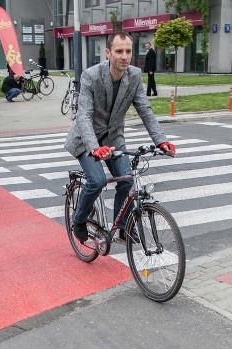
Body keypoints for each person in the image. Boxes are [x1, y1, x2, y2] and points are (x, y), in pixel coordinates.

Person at [64, 32, 175, 243]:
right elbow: (84, 115)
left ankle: (122, 227)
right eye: (119, 51)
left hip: (114, 139)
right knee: (96, 181)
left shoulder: (133, 75)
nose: (124, 56)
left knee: (127, 181)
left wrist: (161, 140)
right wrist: (94, 147)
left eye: (128, 51)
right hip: (86, 139)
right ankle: (78, 220)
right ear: (108, 53)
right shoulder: (91, 76)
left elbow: (145, 109)